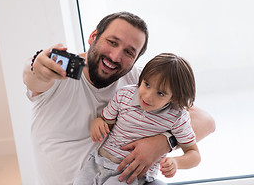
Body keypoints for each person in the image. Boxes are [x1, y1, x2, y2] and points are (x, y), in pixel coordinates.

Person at [23, 11, 215, 185]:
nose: (115, 56)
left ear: (137, 59)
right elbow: (33, 78)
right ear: (93, 37)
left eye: (129, 52)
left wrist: (163, 143)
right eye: (112, 42)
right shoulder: (58, 74)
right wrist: (37, 69)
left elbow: (206, 121)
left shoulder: (141, 83)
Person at [73, 53, 201, 185]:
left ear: (174, 97)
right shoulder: (124, 95)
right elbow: (106, 121)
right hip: (98, 162)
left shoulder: (177, 117)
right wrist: (98, 122)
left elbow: (194, 154)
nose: (148, 96)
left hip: (130, 174)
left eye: (161, 93)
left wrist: (175, 162)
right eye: (147, 84)